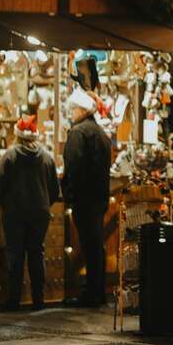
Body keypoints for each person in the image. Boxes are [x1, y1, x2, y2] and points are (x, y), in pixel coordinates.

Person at [0, 114, 60, 311]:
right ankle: (39, 300)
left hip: (14, 213)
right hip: (40, 213)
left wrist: (3, 202)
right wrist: (44, 203)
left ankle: (14, 300)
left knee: (15, 255)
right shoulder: (47, 157)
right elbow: (55, 190)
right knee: (37, 253)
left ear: (17, 135)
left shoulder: (10, 156)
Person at [62, 88, 111, 307]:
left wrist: (70, 194)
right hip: (99, 196)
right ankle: (97, 289)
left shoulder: (78, 133)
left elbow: (73, 166)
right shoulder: (100, 132)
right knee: (96, 245)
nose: (71, 113)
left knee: (89, 245)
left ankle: (91, 293)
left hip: (84, 198)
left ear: (81, 109)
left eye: (73, 109)